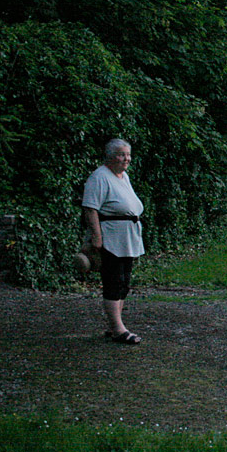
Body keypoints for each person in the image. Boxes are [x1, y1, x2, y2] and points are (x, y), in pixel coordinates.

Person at [82, 139, 145, 344]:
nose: (126, 158)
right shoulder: (99, 177)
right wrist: (97, 237)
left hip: (127, 238)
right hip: (111, 238)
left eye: (128, 154)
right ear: (110, 156)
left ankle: (114, 326)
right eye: (121, 154)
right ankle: (118, 329)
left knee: (124, 283)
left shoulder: (123, 176)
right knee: (113, 281)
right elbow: (90, 208)